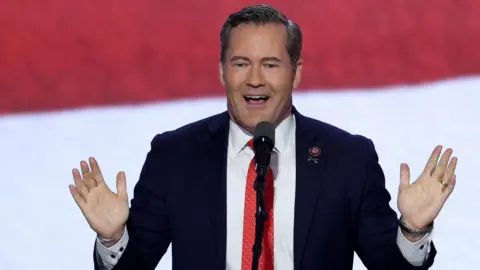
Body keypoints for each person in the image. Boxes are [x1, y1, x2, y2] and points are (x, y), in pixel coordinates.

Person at [69, 4, 458, 270]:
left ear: (296, 72)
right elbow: (134, 263)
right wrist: (113, 237)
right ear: (223, 72)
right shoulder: (175, 155)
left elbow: (390, 265)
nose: (255, 79)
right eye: (241, 64)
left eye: (270, 64)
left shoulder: (348, 158)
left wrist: (412, 230)